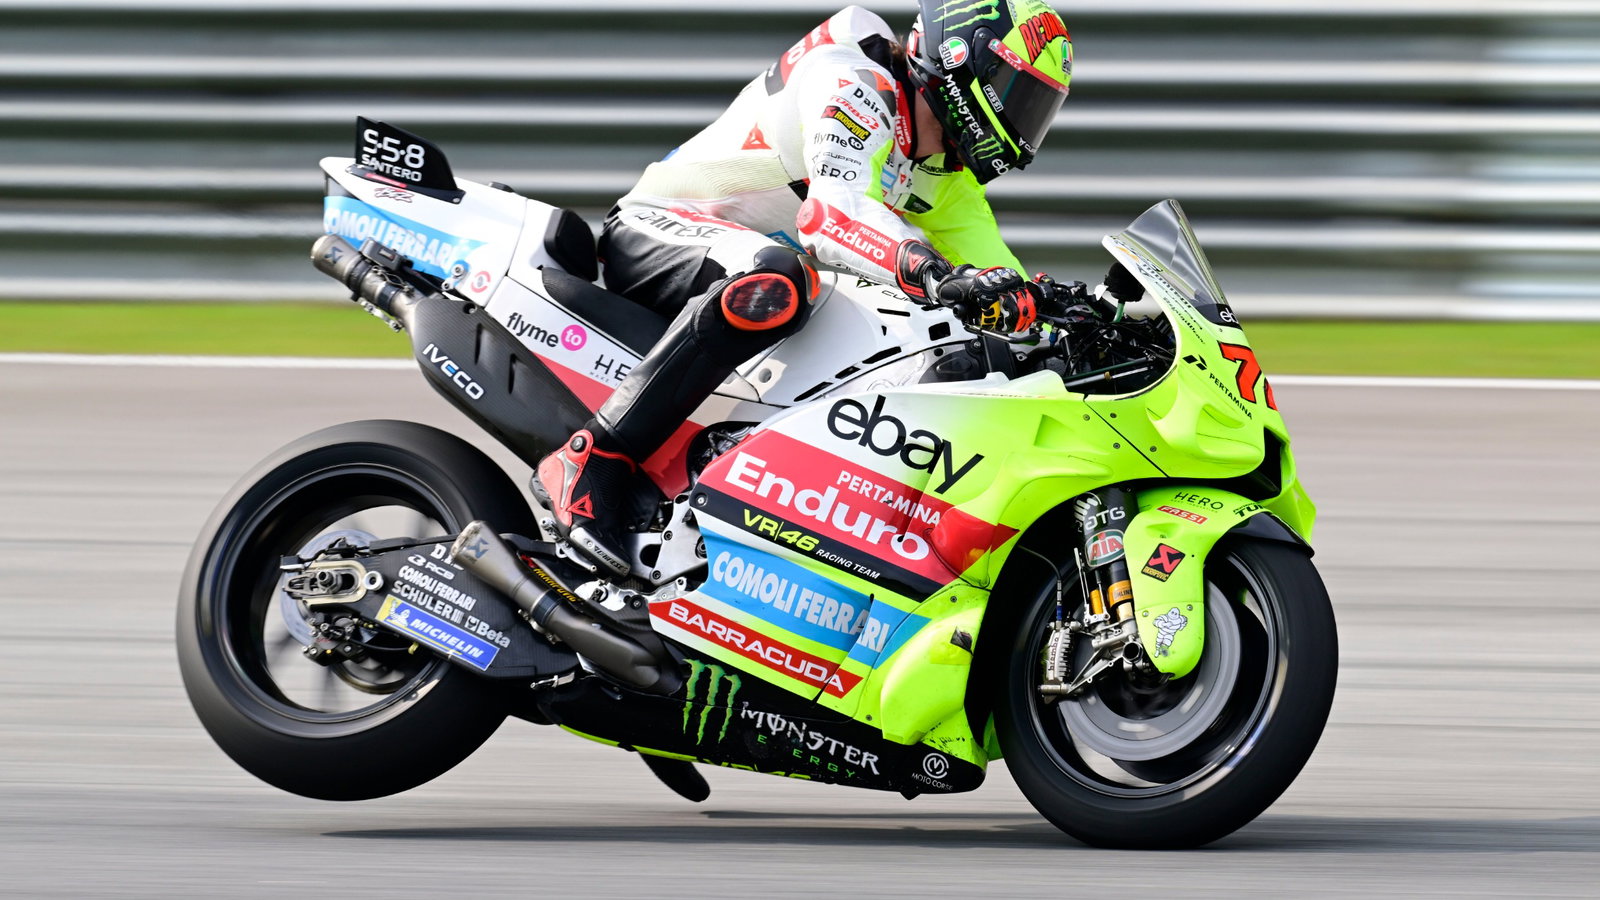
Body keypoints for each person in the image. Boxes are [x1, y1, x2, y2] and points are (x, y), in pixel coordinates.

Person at [534, 1, 1078, 575]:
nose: (1025, 119)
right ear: (962, 60)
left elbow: (1001, 276)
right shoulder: (855, 78)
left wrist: (1075, 319)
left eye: (1038, 105)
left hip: (750, 272)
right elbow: (830, 217)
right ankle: (589, 459)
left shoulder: (945, 176)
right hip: (655, 228)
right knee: (782, 280)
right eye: (1019, 93)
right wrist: (936, 272)